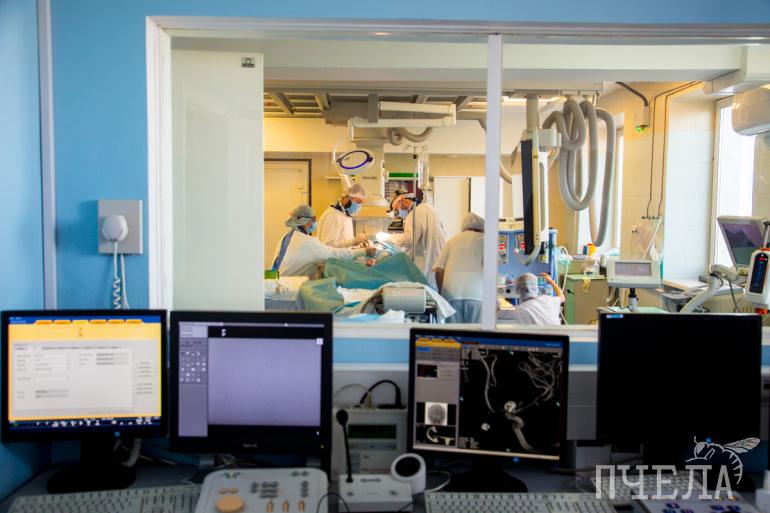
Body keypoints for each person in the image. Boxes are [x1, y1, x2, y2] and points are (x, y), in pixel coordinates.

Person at [271, 204, 376, 278]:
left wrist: (354, 242)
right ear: (306, 221)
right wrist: (363, 251)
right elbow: (334, 254)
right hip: (287, 289)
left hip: (276, 279)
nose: (314, 223)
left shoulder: (288, 236)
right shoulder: (308, 243)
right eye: (313, 220)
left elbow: (314, 248)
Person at [384, 193, 447, 289]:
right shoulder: (429, 208)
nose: (398, 213)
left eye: (397, 210)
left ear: (404, 201)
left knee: (425, 288)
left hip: (425, 261)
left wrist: (388, 237)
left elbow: (409, 239)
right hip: (437, 257)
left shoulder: (415, 214)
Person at [433, 212, 484, 323]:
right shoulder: (485, 240)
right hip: (477, 295)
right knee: (476, 333)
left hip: (451, 296)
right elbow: (491, 270)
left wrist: (443, 292)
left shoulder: (451, 241)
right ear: (482, 228)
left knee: (454, 332)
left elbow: (438, 271)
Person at [317, 183, 370, 248]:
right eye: (358, 202)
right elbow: (328, 246)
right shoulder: (332, 215)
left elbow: (345, 241)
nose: (359, 206)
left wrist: (359, 245)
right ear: (346, 198)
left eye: (361, 203)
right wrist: (353, 242)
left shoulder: (345, 215)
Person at [499, 272, 564, 325]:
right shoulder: (548, 299)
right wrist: (551, 281)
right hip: (560, 336)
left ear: (518, 290)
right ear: (536, 287)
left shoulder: (521, 310)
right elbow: (562, 297)